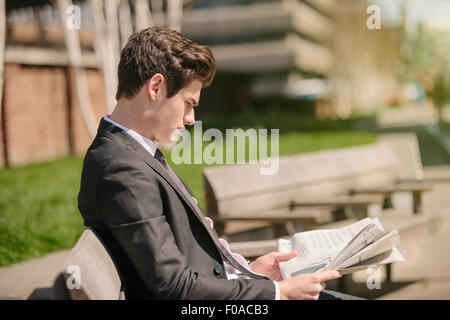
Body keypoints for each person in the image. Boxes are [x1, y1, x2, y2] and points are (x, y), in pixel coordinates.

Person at [78, 27, 358, 300]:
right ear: (156, 87)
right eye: (188, 103)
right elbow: (173, 286)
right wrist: (275, 293)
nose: (190, 119)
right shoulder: (120, 167)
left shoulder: (134, 151)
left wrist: (247, 270)